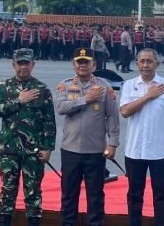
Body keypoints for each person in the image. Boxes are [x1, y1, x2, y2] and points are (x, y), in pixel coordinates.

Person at [54, 47, 120, 226]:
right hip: (70, 150)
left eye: (86, 62)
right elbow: (61, 108)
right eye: (79, 62)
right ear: (73, 64)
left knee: (95, 195)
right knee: (69, 194)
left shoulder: (104, 87)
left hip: (95, 150)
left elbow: (112, 116)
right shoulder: (65, 85)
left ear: (94, 64)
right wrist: (86, 99)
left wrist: (112, 143)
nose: (82, 65)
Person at [0, 48, 56, 226]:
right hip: (9, 149)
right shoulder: (3, 87)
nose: (23, 67)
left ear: (33, 65)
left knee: (33, 191)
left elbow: (49, 122)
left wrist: (48, 148)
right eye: (20, 63)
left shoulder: (42, 89)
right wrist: (18, 101)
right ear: (13, 65)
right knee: (7, 190)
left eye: (27, 63)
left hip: (33, 151)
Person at [118, 48, 164, 226]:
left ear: (157, 64)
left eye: (149, 61)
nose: (145, 65)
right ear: (137, 63)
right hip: (135, 150)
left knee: (161, 194)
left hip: (160, 151)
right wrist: (148, 96)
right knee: (134, 194)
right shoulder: (129, 85)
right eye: (142, 61)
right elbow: (125, 111)